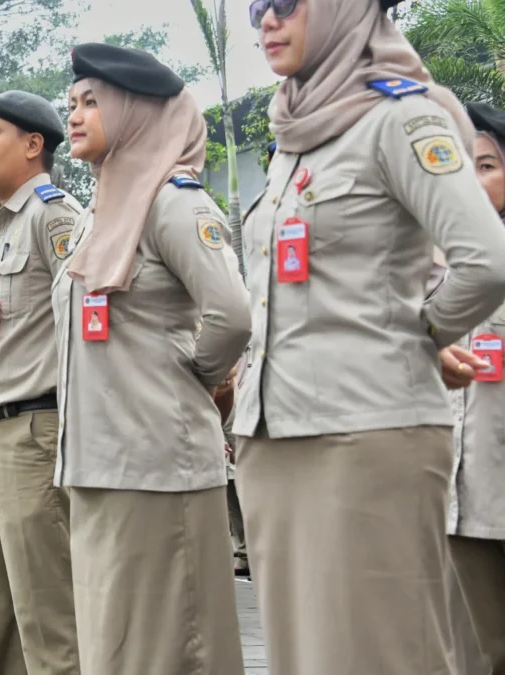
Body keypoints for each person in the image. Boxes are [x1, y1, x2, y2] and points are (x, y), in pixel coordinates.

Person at [236, 2, 505, 674]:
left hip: (368, 432)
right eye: (255, 7)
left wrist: (422, 328)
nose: (266, 20)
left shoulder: (400, 117)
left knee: (378, 652)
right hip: (277, 437)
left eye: (287, 3)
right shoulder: (293, 134)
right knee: (306, 654)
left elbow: (484, 258)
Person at [55, 43, 250, 675]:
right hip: (102, 460)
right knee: (116, 645)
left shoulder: (172, 201)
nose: (76, 115)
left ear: (136, 111)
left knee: (171, 646)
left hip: (157, 461)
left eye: (92, 102)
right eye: (73, 103)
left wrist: (186, 380)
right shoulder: (103, 212)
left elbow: (231, 314)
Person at [0, 89, 85, 675]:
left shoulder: (55, 217)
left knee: (49, 607)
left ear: (34, 144)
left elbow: (88, 328)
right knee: (3, 603)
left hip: (37, 428)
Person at [446, 100, 505, 674]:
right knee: (465, 656)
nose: (471, 178)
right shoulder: (434, 265)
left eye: (486, 164)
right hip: (455, 500)